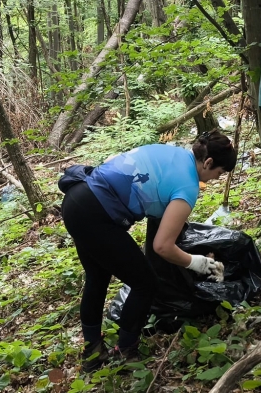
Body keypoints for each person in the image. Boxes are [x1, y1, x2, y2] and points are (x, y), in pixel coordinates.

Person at [62, 132, 237, 370]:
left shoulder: (173, 152)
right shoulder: (188, 186)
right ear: (208, 163)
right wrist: (198, 263)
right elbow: (162, 246)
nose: (217, 178)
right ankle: (126, 352)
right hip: (96, 214)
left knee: (97, 277)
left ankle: (93, 353)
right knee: (146, 284)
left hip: (77, 199)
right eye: (219, 172)